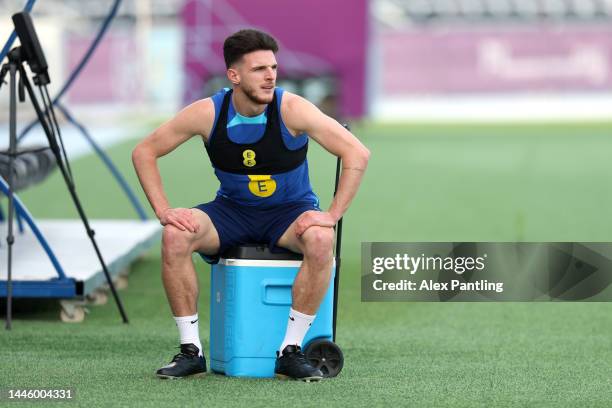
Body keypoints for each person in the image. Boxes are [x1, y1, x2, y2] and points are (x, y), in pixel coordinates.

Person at [132, 29, 369, 381]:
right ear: (234, 75)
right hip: (231, 212)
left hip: (289, 214)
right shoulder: (208, 113)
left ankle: (290, 351)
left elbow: (356, 152)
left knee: (321, 239)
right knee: (175, 236)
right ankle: (190, 351)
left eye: (272, 67)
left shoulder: (292, 109)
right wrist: (164, 210)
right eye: (259, 69)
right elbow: (144, 152)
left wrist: (332, 215)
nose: (270, 75)